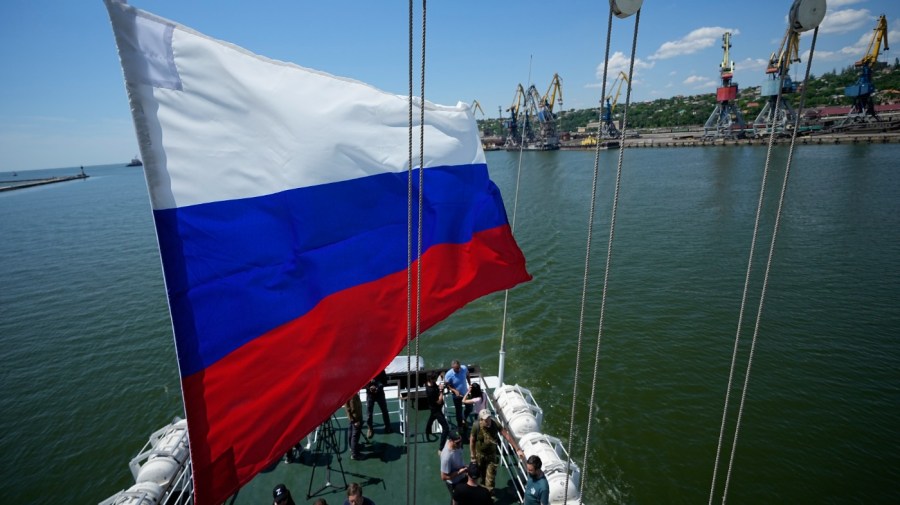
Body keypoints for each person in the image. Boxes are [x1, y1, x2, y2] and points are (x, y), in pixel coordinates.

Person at [469, 409, 524, 493]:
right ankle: (483, 492)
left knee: (490, 479)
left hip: (491, 456)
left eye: (489, 418)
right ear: (481, 420)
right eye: (485, 419)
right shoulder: (476, 426)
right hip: (480, 455)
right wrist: (473, 456)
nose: (488, 421)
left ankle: (489, 496)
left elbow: (506, 435)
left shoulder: (495, 423)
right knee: (481, 476)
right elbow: (472, 441)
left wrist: (517, 449)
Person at [424, 372, 451, 453]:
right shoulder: (430, 391)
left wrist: (439, 386)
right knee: (446, 428)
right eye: (434, 379)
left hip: (433, 408)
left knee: (431, 418)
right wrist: (441, 391)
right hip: (436, 410)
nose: (436, 380)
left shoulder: (430, 383)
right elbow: (439, 401)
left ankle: (427, 431)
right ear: (430, 379)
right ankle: (441, 448)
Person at [366, 369, 392, 438]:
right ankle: (370, 429)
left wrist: (377, 387)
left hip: (380, 394)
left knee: (384, 410)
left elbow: (385, 381)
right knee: (369, 414)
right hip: (370, 395)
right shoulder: (367, 370)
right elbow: (363, 382)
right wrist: (369, 387)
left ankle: (387, 426)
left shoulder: (381, 369)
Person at [444, 360, 470, 429]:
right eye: (456, 368)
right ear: (452, 367)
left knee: (470, 407)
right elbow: (447, 385)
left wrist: (470, 384)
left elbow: (467, 374)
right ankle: (460, 425)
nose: (458, 369)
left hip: (466, 393)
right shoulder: (448, 375)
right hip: (457, 396)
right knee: (458, 411)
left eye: (459, 367)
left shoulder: (464, 368)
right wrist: (454, 390)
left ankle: (464, 418)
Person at [344, 392, 364, 460]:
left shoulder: (348, 392)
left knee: (351, 432)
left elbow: (348, 407)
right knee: (355, 435)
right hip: (356, 418)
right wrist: (356, 420)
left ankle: (352, 447)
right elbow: (353, 407)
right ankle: (355, 454)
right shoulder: (352, 395)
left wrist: (351, 418)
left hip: (352, 417)